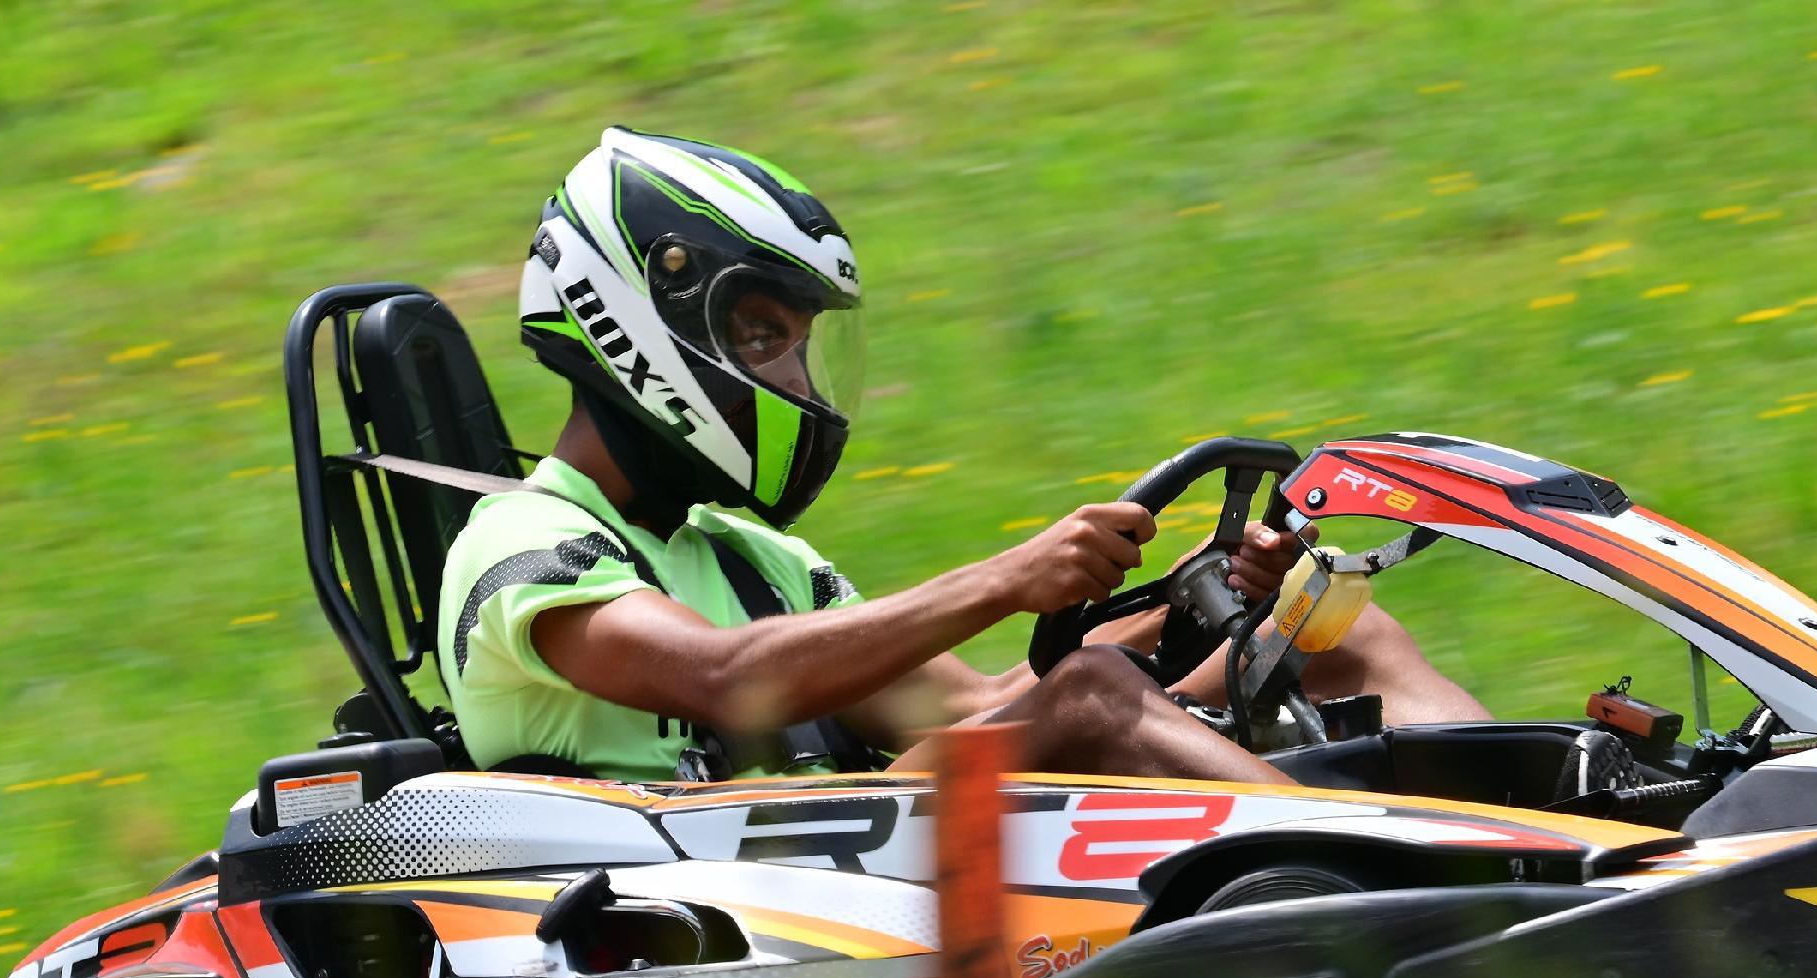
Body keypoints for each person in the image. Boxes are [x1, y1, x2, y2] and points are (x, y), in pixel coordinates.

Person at [437, 127, 1485, 785]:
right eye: (763, 340)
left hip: (835, 847)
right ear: (633, 328)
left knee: (1319, 629)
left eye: (798, 348)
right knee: (1086, 700)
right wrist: (1005, 579)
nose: (796, 383)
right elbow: (731, 682)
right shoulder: (526, 546)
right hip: (715, 885)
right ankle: (1392, 888)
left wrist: (1206, 598)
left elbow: (979, 711)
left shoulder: (752, 561)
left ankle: (1571, 846)